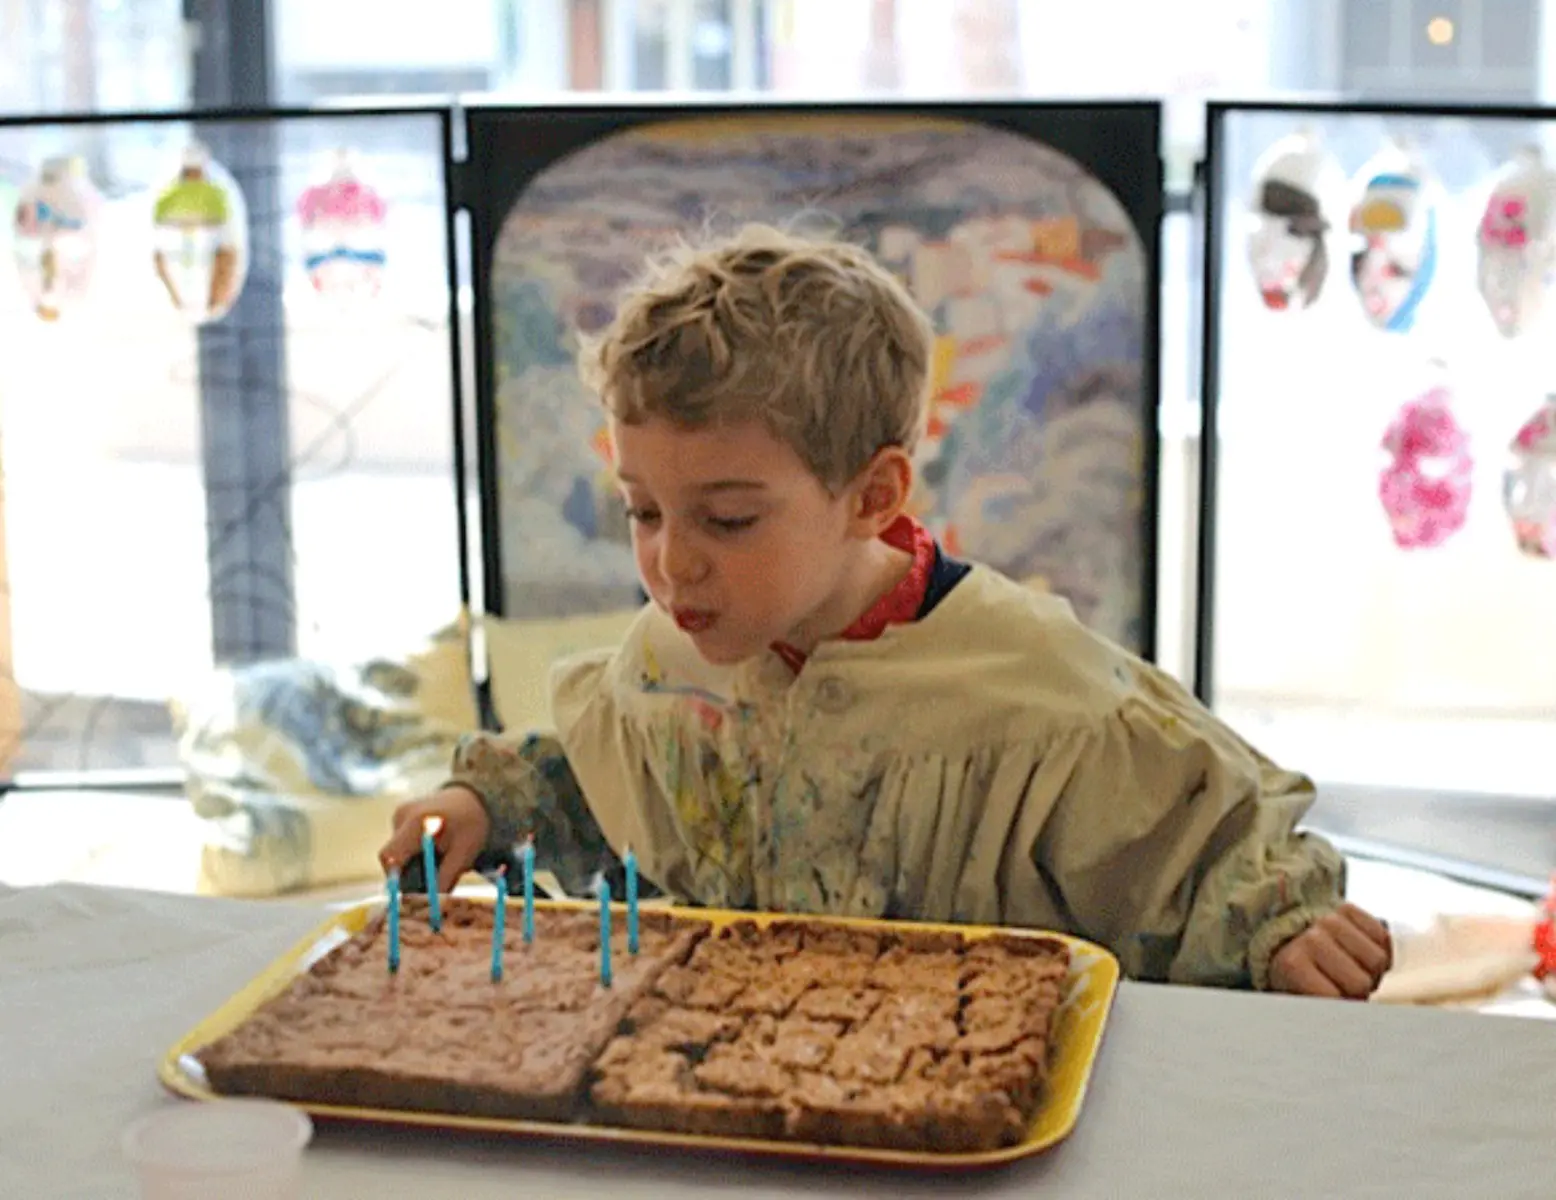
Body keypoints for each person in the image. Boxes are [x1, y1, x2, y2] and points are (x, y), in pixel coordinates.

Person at [380, 224, 1392, 1000]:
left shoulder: (1032, 679)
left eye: (727, 518)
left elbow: (1193, 834)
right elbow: (608, 790)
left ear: (870, 497)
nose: (669, 561)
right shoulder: (665, 654)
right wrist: (485, 810)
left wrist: (1280, 920)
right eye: (642, 510)